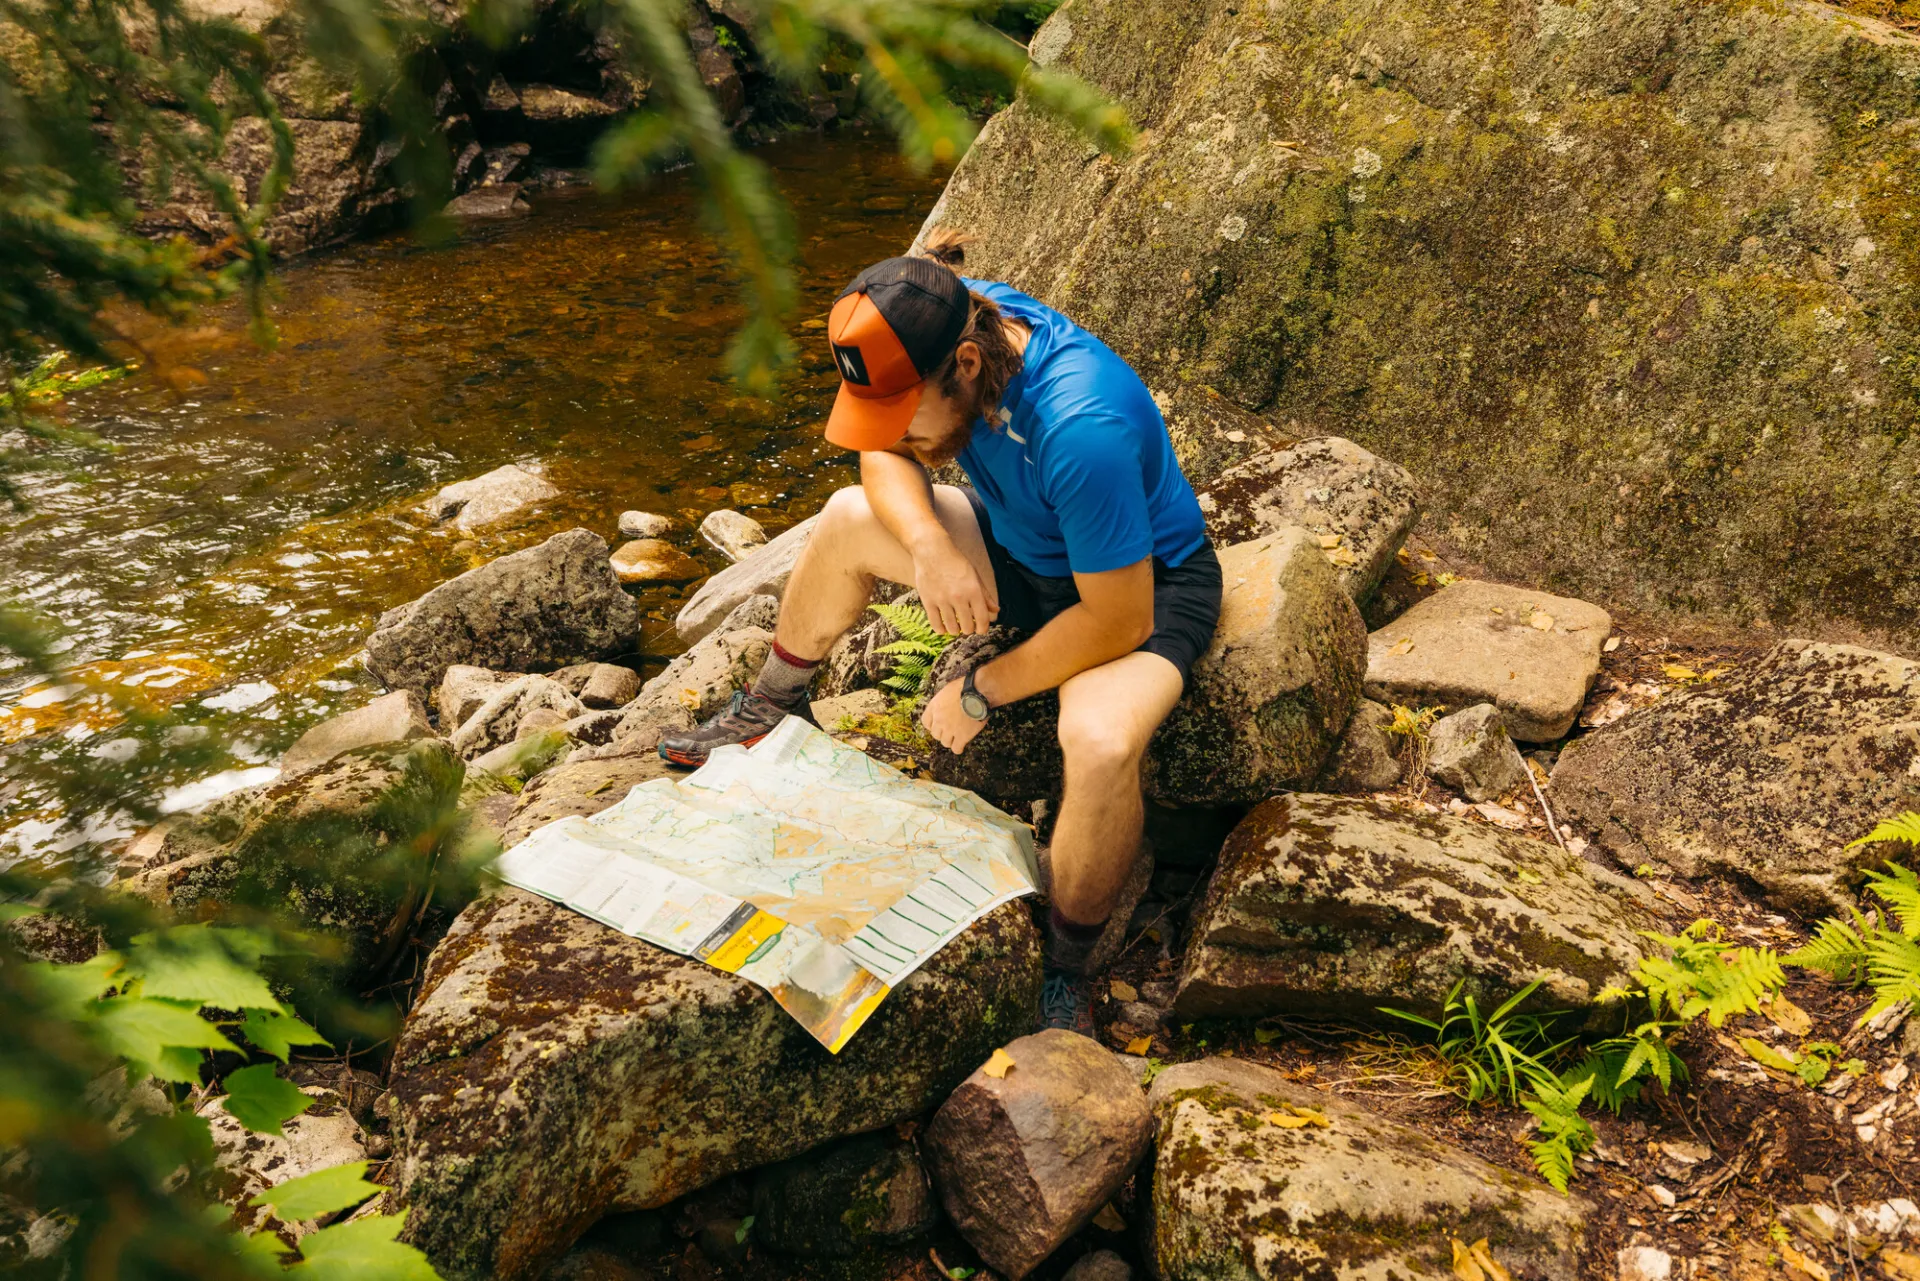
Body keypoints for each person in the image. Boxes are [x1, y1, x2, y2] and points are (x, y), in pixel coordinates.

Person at [658, 230, 1221, 1034]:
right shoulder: (944, 319)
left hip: (1143, 591)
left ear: (965, 365)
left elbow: (1117, 618)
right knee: (849, 517)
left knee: (1097, 740)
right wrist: (928, 546)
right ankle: (771, 705)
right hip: (1028, 553)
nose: (896, 430)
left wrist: (982, 690)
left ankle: (1066, 967)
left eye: (903, 411)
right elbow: (879, 454)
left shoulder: (1080, 422)